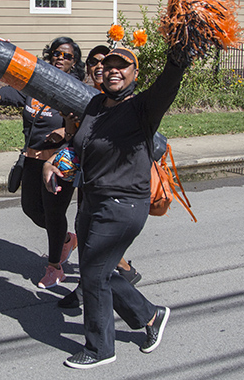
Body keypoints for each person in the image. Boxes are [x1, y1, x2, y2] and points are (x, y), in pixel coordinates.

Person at [44, 47, 187, 369]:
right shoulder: (95, 104)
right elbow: (80, 143)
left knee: (93, 276)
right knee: (102, 270)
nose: (113, 71)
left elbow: (169, 83)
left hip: (123, 204)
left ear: (134, 73)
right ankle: (150, 315)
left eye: (121, 67)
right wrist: (55, 162)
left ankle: (99, 348)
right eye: (107, 66)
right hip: (91, 199)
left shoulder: (143, 108)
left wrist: (178, 58)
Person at [0, 37, 84, 289]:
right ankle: (65, 239)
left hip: (60, 163)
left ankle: (54, 268)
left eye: (67, 56)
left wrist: (64, 131)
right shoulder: (37, 84)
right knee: (30, 208)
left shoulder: (74, 89)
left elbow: (86, 118)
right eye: (57, 54)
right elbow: (15, 91)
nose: (60, 58)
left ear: (74, 62)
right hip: (32, 158)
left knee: (53, 212)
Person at [55, 45, 141, 310]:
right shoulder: (88, 97)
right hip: (88, 178)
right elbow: (76, 140)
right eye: (95, 61)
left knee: (99, 247)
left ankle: (125, 277)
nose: (100, 66)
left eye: (105, 62)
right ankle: (88, 286)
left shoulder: (118, 98)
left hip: (116, 185)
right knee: (86, 233)